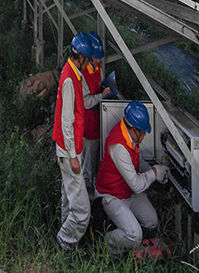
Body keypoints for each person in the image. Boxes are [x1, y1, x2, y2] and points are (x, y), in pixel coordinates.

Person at [94, 100, 169, 254]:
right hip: (111, 195)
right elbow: (136, 184)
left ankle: (125, 238)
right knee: (135, 235)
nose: (144, 137)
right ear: (135, 129)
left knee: (152, 221)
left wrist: (148, 169)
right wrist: (154, 173)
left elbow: (137, 160)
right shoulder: (118, 146)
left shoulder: (130, 135)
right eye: (143, 132)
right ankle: (103, 244)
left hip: (127, 191)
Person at [52, 32, 99, 251]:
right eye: (88, 59)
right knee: (82, 211)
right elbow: (67, 120)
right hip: (69, 150)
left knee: (68, 199)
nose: (89, 63)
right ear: (80, 57)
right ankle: (64, 243)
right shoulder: (71, 79)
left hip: (68, 148)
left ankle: (64, 235)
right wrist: (73, 156)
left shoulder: (71, 72)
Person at [80, 31, 110, 199]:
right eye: (95, 57)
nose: (98, 61)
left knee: (95, 161)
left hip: (98, 122)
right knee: (87, 165)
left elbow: (97, 86)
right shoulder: (82, 73)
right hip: (88, 124)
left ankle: (94, 191)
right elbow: (85, 102)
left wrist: (105, 90)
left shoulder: (96, 67)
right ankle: (87, 199)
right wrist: (101, 96)